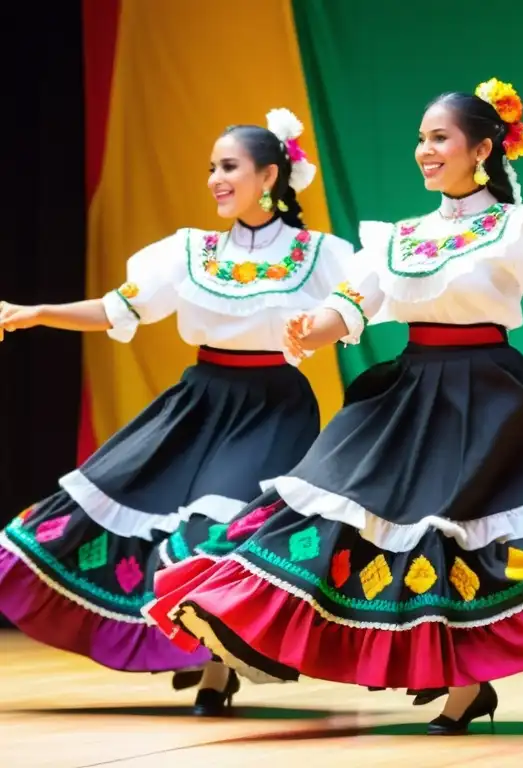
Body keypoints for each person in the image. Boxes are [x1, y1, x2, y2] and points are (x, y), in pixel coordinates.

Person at [142, 77, 523, 734]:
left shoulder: (517, 226)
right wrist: (314, 327)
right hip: (409, 392)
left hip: (486, 395)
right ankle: (433, 672)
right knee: (357, 521)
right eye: (421, 140)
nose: (425, 151)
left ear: (481, 149)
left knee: (466, 539)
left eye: (439, 139)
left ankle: (466, 684)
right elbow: (355, 299)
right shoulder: (400, 235)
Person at [0, 108, 365, 716]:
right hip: (200, 401)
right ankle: (196, 648)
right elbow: (120, 309)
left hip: (273, 406)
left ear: (269, 176)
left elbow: (360, 306)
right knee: (107, 500)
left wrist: (318, 330)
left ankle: (217, 670)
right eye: (212, 169)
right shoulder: (187, 252)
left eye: (229, 167)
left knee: (218, 532)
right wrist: (40, 311)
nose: (215, 179)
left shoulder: (320, 253)